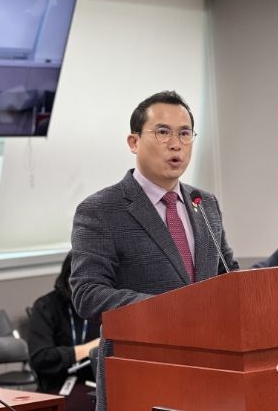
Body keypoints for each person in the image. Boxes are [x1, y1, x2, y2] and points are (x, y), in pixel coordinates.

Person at [69, 90, 239, 410]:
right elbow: (88, 294)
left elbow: (228, 275)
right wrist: (170, 310)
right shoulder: (100, 210)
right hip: (139, 372)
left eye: (185, 134)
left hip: (211, 369)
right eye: (163, 132)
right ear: (133, 142)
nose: (176, 144)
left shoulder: (205, 204)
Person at [27, 253, 100, 410]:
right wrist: (89, 349)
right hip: (59, 384)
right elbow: (41, 358)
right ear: (68, 279)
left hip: (98, 382)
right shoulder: (46, 306)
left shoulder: (100, 305)